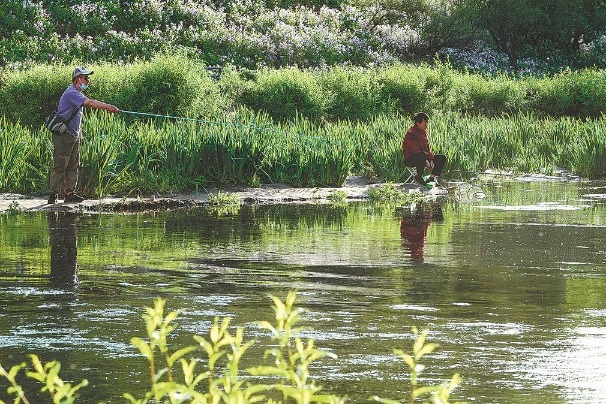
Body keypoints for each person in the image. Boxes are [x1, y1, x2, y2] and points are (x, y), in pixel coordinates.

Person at [48, 66, 121, 204]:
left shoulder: (77, 93)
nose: (88, 81)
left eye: (88, 78)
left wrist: (79, 135)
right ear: (77, 80)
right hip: (64, 136)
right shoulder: (72, 93)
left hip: (74, 135)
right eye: (85, 78)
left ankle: (69, 193)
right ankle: (54, 195)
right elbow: (91, 103)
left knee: (73, 165)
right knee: (60, 164)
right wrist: (109, 106)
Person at [402, 112, 447, 186]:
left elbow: (427, 149)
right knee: (422, 155)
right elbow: (414, 150)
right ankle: (419, 176)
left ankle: (431, 178)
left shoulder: (424, 132)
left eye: (427, 122)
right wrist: (426, 160)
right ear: (418, 123)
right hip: (410, 159)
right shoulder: (411, 132)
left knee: (442, 157)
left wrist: (431, 159)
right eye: (425, 122)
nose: (427, 124)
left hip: (423, 157)